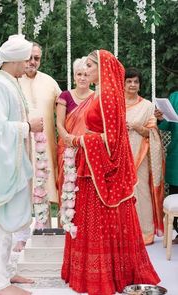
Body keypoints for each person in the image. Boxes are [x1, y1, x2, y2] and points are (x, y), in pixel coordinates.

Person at [61, 49, 160, 295]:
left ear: (102, 69)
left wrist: (77, 141)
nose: (87, 71)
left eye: (90, 67)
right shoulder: (104, 94)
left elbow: (113, 139)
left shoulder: (106, 96)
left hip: (100, 166)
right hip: (92, 165)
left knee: (99, 218)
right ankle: (92, 271)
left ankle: (102, 276)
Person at [0, 34, 43, 295]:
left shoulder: (10, 82)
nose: (28, 64)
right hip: (2, 166)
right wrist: (28, 126)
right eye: (25, 59)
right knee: (2, 222)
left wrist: (26, 124)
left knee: (12, 222)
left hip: (14, 162)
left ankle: (6, 273)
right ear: (14, 60)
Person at [13, 42, 61, 252]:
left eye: (37, 58)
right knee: (21, 190)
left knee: (46, 188)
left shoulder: (50, 83)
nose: (33, 62)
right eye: (30, 57)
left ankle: (45, 230)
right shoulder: (12, 81)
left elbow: (65, 109)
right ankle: (21, 236)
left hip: (47, 146)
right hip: (20, 146)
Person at [125, 67, 164, 245]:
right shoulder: (115, 104)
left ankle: (145, 233)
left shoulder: (147, 106)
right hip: (119, 157)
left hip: (140, 156)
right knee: (121, 195)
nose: (132, 85)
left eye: (136, 81)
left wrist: (137, 127)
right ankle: (124, 233)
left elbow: (153, 132)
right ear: (123, 84)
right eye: (129, 81)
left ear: (140, 85)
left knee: (142, 192)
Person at [56, 56, 94, 204]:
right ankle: (65, 225)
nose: (82, 78)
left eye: (86, 74)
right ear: (74, 76)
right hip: (67, 149)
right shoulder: (65, 96)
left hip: (88, 149)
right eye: (79, 74)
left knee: (85, 192)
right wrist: (69, 141)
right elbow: (59, 123)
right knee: (66, 188)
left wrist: (84, 142)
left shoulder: (96, 97)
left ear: (91, 78)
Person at [155, 90, 178, 243]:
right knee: (176, 192)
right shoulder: (174, 97)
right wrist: (161, 118)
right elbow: (166, 126)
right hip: (176, 155)